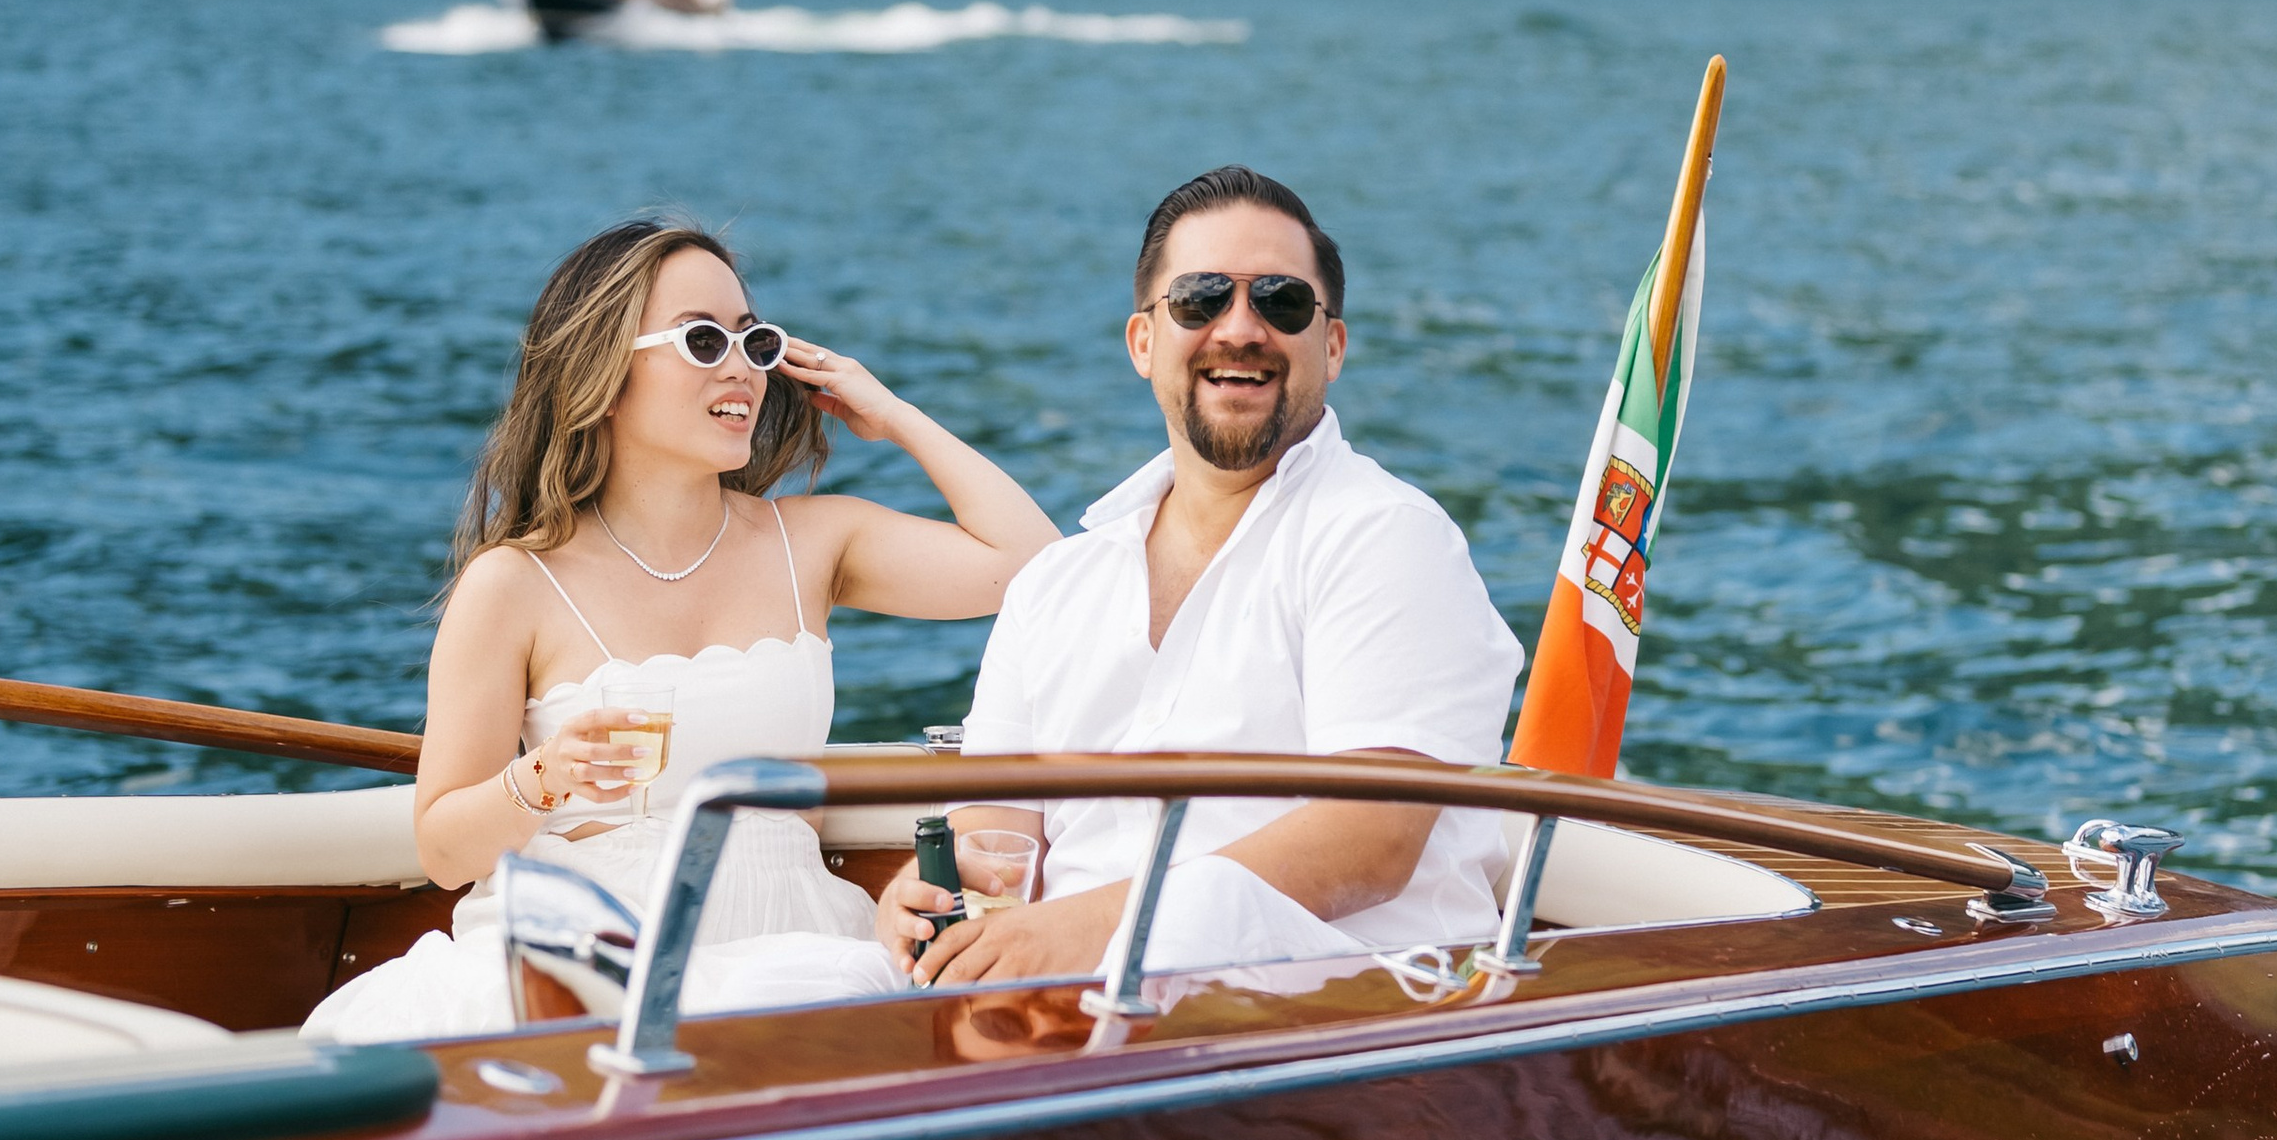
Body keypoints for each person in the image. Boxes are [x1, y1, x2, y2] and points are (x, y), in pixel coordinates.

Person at [307, 217, 1057, 1041]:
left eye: (754, 340)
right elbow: (444, 848)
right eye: (704, 341)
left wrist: (893, 412)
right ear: (606, 368)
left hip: (792, 943)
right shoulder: (512, 583)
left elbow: (1037, 567)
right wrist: (548, 776)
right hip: (584, 958)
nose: (743, 367)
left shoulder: (810, 541)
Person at [880, 164, 1523, 991]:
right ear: (1144, 341)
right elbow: (996, 831)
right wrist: (932, 889)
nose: (1241, 328)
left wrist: (1087, 931)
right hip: (1065, 1009)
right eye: (1201, 299)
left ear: (1331, 345)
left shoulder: (1387, 537)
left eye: (1282, 301)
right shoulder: (1057, 584)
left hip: (1329, 1023)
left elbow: (1372, 834)